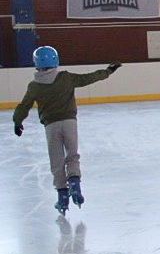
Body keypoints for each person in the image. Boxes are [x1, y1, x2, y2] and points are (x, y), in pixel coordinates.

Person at [12, 46, 121, 215]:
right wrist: (107, 71)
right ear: (55, 60)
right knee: (72, 154)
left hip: (51, 126)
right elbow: (88, 78)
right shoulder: (66, 78)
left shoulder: (34, 86)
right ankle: (75, 184)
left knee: (56, 160)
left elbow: (24, 105)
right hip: (70, 123)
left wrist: (17, 122)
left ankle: (62, 196)